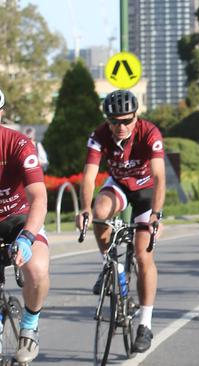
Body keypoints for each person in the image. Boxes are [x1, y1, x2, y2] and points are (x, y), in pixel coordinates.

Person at [75, 89, 165, 353]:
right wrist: (84, 209)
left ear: (136, 116)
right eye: (115, 121)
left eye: (127, 120)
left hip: (146, 191)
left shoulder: (150, 133)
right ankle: (111, 265)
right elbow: (90, 175)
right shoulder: (99, 134)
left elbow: (159, 177)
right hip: (120, 186)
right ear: (108, 120)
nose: (121, 126)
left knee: (142, 254)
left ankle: (145, 324)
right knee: (100, 211)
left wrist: (157, 215)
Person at [0, 89, 50, 363]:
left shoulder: (19, 145)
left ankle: (29, 325)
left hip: (20, 217)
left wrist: (27, 237)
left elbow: (39, 198)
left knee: (37, 268)